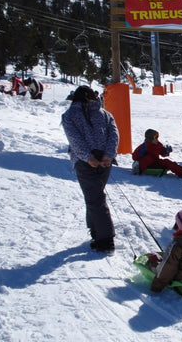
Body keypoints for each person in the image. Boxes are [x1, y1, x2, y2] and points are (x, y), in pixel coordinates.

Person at [61, 85, 119, 253]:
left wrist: (88, 157)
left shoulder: (69, 115)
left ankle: (105, 239)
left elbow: (74, 139)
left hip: (84, 161)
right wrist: (108, 155)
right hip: (104, 161)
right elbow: (114, 135)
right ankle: (96, 232)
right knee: (95, 196)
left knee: (95, 198)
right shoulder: (106, 115)